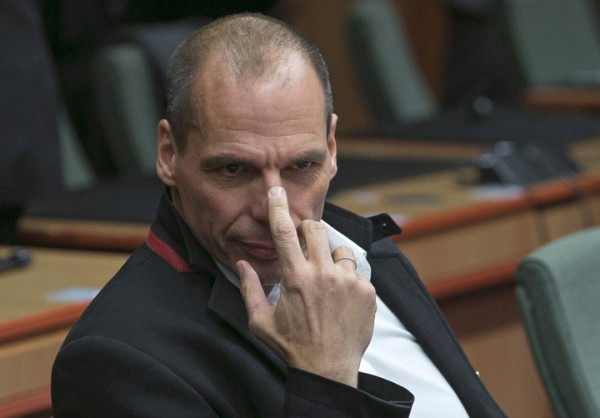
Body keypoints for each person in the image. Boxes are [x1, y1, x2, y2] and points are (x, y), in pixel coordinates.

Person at [51, 13, 506, 417]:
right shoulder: (118, 360)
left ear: (331, 149)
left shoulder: (363, 249)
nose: (276, 210)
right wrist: (324, 377)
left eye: (301, 166)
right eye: (233, 169)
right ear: (169, 154)